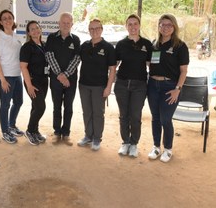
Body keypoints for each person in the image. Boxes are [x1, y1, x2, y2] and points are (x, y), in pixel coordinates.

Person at [147, 14, 189, 163]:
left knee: (165, 119)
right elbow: (150, 63)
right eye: (162, 24)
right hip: (152, 85)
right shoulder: (154, 44)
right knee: (155, 118)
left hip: (170, 87)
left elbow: (183, 71)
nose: (165, 28)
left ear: (174, 27)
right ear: (158, 26)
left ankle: (168, 149)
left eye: (169, 25)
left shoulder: (180, 46)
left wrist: (178, 88)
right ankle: (156, 146)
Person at [114, 14, 152, 157]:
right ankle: (125, 142)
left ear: (139, 25)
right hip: (122, 84)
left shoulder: (147, 44)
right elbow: (114, 64)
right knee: (124, 115)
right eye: (129, 24)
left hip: (139, 85)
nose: (133, 27)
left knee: (135, 116)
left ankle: (134, 143)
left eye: (135, 24)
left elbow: (151, 65)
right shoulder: (121, 44)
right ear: (126, 26)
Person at [77, 18, 116, 151]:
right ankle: (88, 136)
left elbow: (112, 69)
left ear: (101, 29)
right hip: (83, 85)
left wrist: (109, 87)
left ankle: (97, 138)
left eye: (97, 28)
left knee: (98, 113)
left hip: (100, 86)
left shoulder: (108, 47)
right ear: (88, 30)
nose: (94, 31)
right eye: (91, 29)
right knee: (87, 112)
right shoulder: (84, 46)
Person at [45, 12, 81, 146]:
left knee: (69, 107)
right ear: (59, 23)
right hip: (55, 80)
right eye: (63, 22)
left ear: (72, 24)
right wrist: (60, 75)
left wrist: (65, 75)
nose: (66, 25)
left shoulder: (76, 40)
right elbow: (49, 56)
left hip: (70, 81)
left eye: (68, 23)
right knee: (56, 106)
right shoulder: (51, 38)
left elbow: (77, 59)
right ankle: (57, 132)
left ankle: (66, 133)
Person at [0, 9, 24, 144]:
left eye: (9, 17)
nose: (7, 20)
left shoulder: (17, 37)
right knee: (5, 104)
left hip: (17, 75)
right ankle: (5, 131)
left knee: (19, 101)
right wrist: (2, 80)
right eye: (4, 18)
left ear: (13, 20)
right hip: (4, 76)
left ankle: (11, 125)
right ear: (0, 22)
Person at [20, 21, 48, 146]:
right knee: (41, 107)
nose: (35, 30)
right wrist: (29, 85)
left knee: (36, 106)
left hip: (44, 81)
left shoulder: (44, 45)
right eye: (32, 29)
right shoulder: (26, 47)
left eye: (37, 28)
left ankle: (35, 131)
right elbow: (23, 67)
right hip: (32, 82)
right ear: (29, 33)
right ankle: (30, 130)